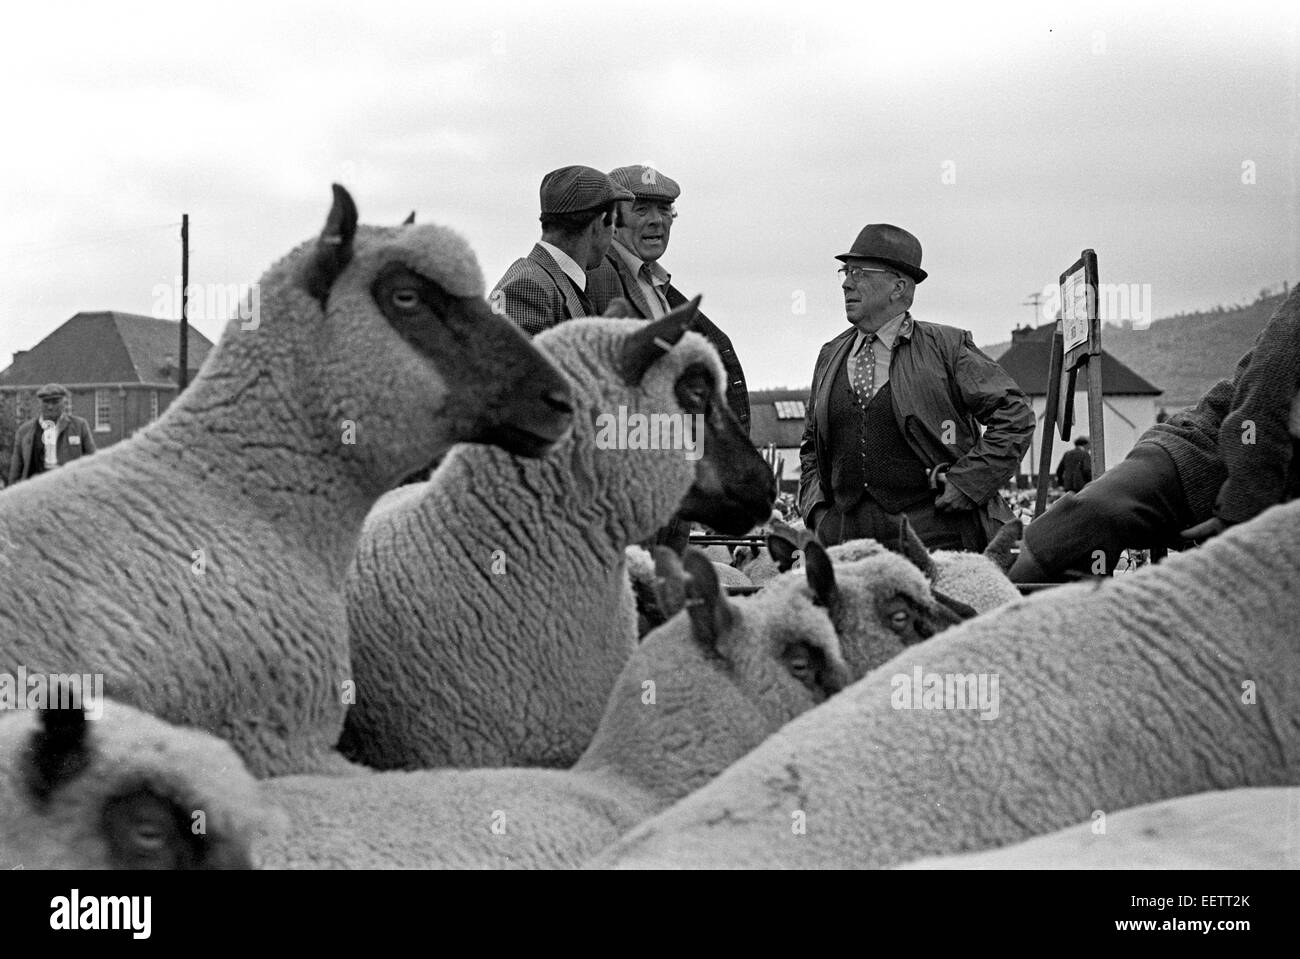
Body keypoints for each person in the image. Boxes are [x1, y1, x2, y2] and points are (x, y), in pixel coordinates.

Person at [1010, 283, 1300, 582]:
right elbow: (1259, 409)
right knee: (1085, 521)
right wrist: (1240, 512)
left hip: (1281, 497)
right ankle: (995, 610)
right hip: (1201, 459)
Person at [799, 224, 1034, 551]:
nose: (846, 283)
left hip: (934, 534)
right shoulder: (830, 354)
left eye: (859, 273)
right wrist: (817, 511)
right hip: (844, 538)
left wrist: (967, 483)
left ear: (898, 287)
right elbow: (811, 444)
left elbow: (1015, 415)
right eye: (845, 271)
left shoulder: (947, 347)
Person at [587, 164, 750, 431]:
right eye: (641, 209)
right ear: (613, 220)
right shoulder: (598, 278)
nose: (657, 220)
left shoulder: (656, 285)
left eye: (664, 209)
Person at [491, 165, 633, 337]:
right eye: (614, 223)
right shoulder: (530, 287)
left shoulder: (545, 280)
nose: (613, 234)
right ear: (599, 223)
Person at [8, 383, 96, 485]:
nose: (50, 406)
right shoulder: (24, 431)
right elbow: (16, 467)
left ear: (64, 402)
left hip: (69, 487)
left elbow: (93, 460)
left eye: (55, 402)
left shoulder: (79, 426)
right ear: (40, 403)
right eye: (46, 402)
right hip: (35, 487)